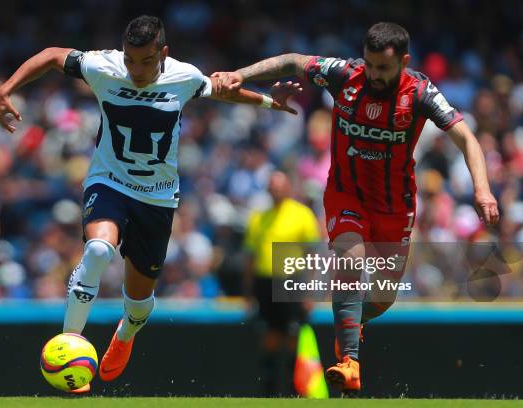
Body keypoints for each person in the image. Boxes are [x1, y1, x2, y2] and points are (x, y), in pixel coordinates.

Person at [0, 15, 300, 393]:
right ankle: (68, 346)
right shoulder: (102, 66)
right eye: (130, 60)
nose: (136, 70)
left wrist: (270, 101)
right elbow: (53, 55)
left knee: (138, 305)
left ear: (163, 53)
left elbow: (221, 92)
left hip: (156, 198)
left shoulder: (184, 76)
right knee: (99, 250)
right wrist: (5, 88)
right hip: (109, 182)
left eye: (145, 61)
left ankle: (126, 333)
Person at [213, 22, 500, 395]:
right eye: (370, 65)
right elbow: (291, 61)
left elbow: (466, 137)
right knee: (348, 260)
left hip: (395, 205)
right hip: (346, 194)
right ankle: (349, 362)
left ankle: (349, 322)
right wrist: (238, 75)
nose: (375, 75)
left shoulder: (421, 92)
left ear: (404, 61)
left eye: (383, 67)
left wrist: (483, 190)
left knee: (382, 296)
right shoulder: (345, 75)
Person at [243, 171, 320, 396]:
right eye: (272, 187)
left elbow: (312, 256)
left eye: (280, 187)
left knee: (293, 334)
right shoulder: (258, 218)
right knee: (269, 335)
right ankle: (268, 389)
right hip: (265, 282)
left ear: (288, 188)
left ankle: (294, 388)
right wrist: (248, 292)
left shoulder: (302, 215)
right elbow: (251, 257)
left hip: (292, 281)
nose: (276, 191)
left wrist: (309, 290)